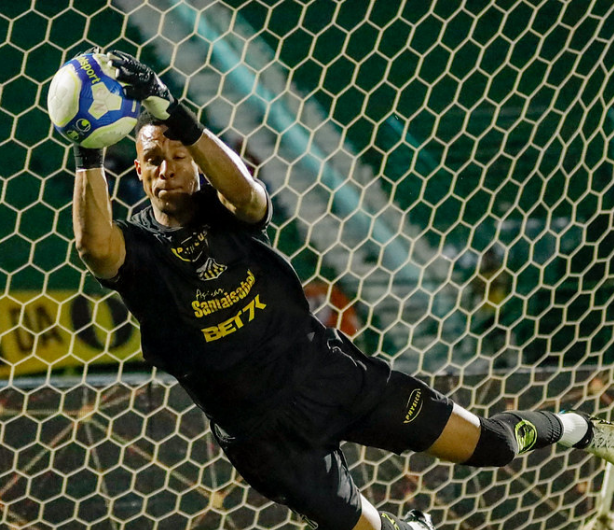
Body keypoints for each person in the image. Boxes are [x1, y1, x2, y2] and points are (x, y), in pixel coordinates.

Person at [69, 49, 614, 530]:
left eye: (177, 155)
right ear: (138, 172)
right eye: (153, 161)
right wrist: (88, 149)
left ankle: (583, 429)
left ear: (195, 160)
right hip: (264, 438)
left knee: (488, 446)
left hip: (330, 376)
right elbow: (96, 248)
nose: (166, 168)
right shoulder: (136, 247)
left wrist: (176, 115)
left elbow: (250, 194)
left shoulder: (229, 209)